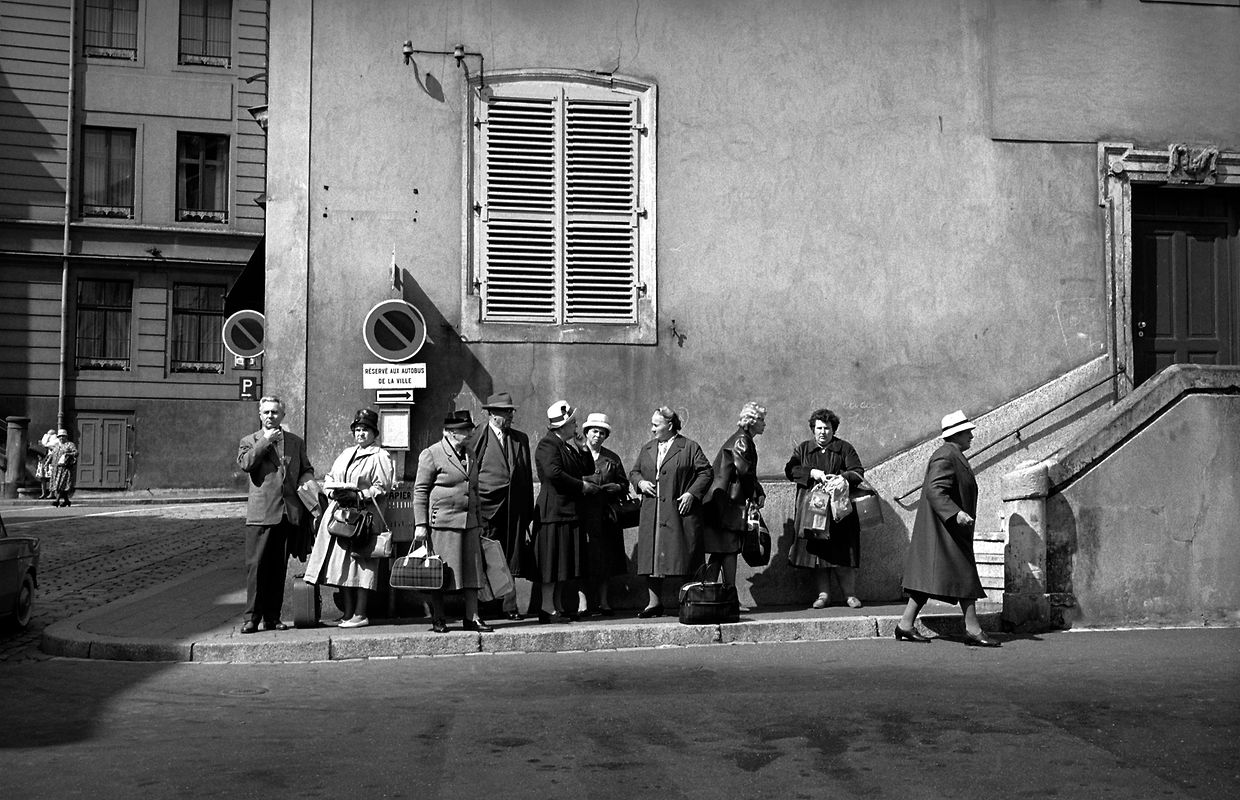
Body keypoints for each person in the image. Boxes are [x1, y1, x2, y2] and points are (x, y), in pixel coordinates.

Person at [897, 410, 998, 646]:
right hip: (945, 531)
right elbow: (934, 489)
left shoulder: (952, 454)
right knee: (965, 575)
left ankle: (905, 625)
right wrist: (956, 513)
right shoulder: (945, 456)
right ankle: (973, 630)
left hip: (947, 531)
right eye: (968, 432)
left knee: (929, 581)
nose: (972, 435)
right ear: (957, 434)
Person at [304, 408, 395, 630]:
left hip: (363, 518)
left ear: (374, 434)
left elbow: (382, 487)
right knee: (341, 565)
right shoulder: (346, 453)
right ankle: (347, 611)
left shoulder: (380, 456)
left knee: (362, 565)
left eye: (365, 430)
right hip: (341, 517)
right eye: (357, 429)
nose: (360, 434)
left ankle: (361, 613)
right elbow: (330, 477)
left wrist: (359, 494)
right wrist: (332, 490)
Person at [237, 396, 315, 634]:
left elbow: (306, 468)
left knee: (278, 568)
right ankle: (252, 617)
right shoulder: (249, 441)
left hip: (286, 513)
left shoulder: (295, 442)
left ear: (283, 415)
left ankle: (273, 616)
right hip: (260, 514)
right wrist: (265, 443)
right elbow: (246, 464)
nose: (270, 416)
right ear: (260, 415)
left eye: (275, 412)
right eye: (266, 412)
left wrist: (307, 481)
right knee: (257, 567)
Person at [629, 406, 713, 617]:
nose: (652, 429)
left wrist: (691, 494)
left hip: (678, 512)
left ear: (670, 425)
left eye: (655, 425)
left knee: (684, 555)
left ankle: (689, 600)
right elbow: (634, 471)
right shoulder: (648, 448)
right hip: (653, 510)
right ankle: (654, 603)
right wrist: (640, 483)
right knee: (653, 556)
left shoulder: (689, 447)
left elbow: (706, 472)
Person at [412, 410, 490, 633]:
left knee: (473, 572)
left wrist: (479, 519)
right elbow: (420, 491)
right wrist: (420, 525)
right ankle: (438, 617)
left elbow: (474, 488)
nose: (469, 433)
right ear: (450, 433)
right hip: (443, 523)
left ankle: (472, 617)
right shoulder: (432, 454)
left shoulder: (471, 453)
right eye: (465, 430)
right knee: (440, 573)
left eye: (469, 429)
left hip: (469, 522)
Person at [785, 408, 866, 609]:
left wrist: (842, 478)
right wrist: (812, 473)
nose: (823, 432)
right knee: (818, 555)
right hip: (813, 511)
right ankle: (823, 595)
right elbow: (791, 470)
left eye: (827, 428)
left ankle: (850, 595)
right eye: (819, 428)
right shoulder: (803, 449)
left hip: (839, 511)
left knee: (843, 552)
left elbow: (858, 472)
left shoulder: (844, 448)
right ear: (813, 429)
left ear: (833, 429)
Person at [467, 391, 535, 620]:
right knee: (486, 556)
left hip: (513, 509)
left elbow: (525, 475)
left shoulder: (520, 439)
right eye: (507, 412)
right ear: (494, 415)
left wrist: (527, 511)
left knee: (510, 557)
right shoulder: (478, 436)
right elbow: (469, 472)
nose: (510, 416)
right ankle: (484, 606)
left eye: (511, 411)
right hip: (487, 508)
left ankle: (510, 605)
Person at [531, 401, 598, 623]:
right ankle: (547, 608)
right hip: (553, 513)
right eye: (573, 423)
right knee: (551, 564)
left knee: (562, 564)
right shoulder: (547, 445)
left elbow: (587, 469)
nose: (577, 427)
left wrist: (584, 448)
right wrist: (581, 486)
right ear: (563, 425)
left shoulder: (567, 446)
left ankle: (556, 606)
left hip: (567, 513)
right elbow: (554, 473)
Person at [704, 402, 767, 588]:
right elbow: (744, 471)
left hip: (721, 502)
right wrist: (756, 494)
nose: (764, 424)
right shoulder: (742, 440)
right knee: (730, 549)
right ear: (751, 421)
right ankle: (729, 592)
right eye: (761, 420)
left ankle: (710, 589)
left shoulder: (739, 438)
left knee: (720, 550)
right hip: (729, 503)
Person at [577, 412, 630, 616]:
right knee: (583, 559)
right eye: (594, 431)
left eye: (602, 432)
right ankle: (582, 603)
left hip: (607, 515)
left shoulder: (612, 458)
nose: (597, 436)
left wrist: (615, 487)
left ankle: (604, 601)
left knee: (606, 560)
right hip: (584, 514)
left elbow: (624, 484)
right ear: (586, 433)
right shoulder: (577, 455)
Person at [47, 429, 78, 508]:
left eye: (63, 436)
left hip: (65, 468)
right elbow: (52, 455)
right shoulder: (56, 446)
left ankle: (57, 501)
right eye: (60, 436)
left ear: (66, 437)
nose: (61, 438)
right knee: (59, 485)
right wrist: (47, 462)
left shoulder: (70, 445)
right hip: (56, 468)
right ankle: (67, 501)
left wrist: (68, 454)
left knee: (60, 484)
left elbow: (76, 453)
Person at [36, 428, 58, 499]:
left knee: (52, 478)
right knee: (42, 478)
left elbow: (53, 450)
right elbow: (42, 445)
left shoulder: (55, 442)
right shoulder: (44, 440)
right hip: (43, 461)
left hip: (50, 461)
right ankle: (43, 493)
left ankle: (51, 493)